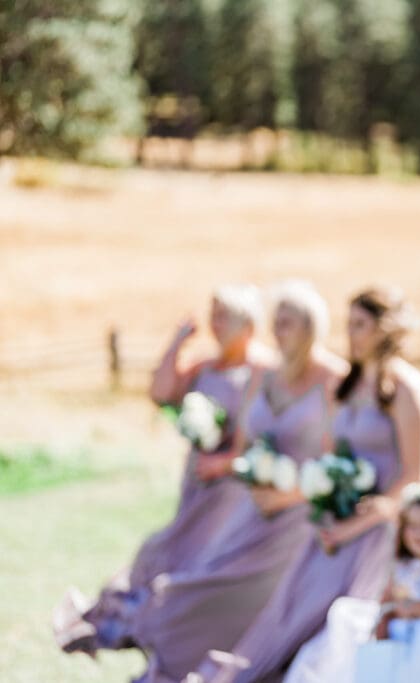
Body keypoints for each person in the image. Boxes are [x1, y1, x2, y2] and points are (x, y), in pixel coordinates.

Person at [192, 286, 420, 683]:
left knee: (337, 631)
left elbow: (414, 476)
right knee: (290, 615)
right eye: (349, 324)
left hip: (378, 532)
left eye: (360, 325)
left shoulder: (406, 388)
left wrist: (351, 527)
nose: (351, 334)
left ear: (384, 329)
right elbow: (329, 459)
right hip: (329, 526)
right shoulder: (345, 386)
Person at [128, 279, 346, 682]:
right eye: (276, 322)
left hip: (300, 514)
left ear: (312, 326)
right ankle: (183, 658)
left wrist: (284, 491)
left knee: (260, 597)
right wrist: (251, 471)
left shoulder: (336, 379)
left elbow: (338, 457)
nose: (278, 331)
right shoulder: (265, 375)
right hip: (251, 505)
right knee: (205, 582)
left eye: (289, 323)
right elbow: (248, 444)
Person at [54, 284, 274, 656]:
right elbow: (160, 392)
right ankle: (150, 620)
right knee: (174, 546)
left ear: (247, 323)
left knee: (201, 553)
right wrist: (178, 342)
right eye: (214, 315)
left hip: (233, 485)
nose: (216, 324)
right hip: (198, 479)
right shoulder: (207, 365)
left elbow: (263, 433)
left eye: (224, 317)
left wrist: (223, 463)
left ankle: (186, 628)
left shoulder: (262, 368)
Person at [283, 482, 420, 683]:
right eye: (412, 526)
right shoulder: (400, 565)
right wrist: (381, 638)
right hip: (401, 645)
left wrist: (415, 607)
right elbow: (386, 605)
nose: (419, 533)